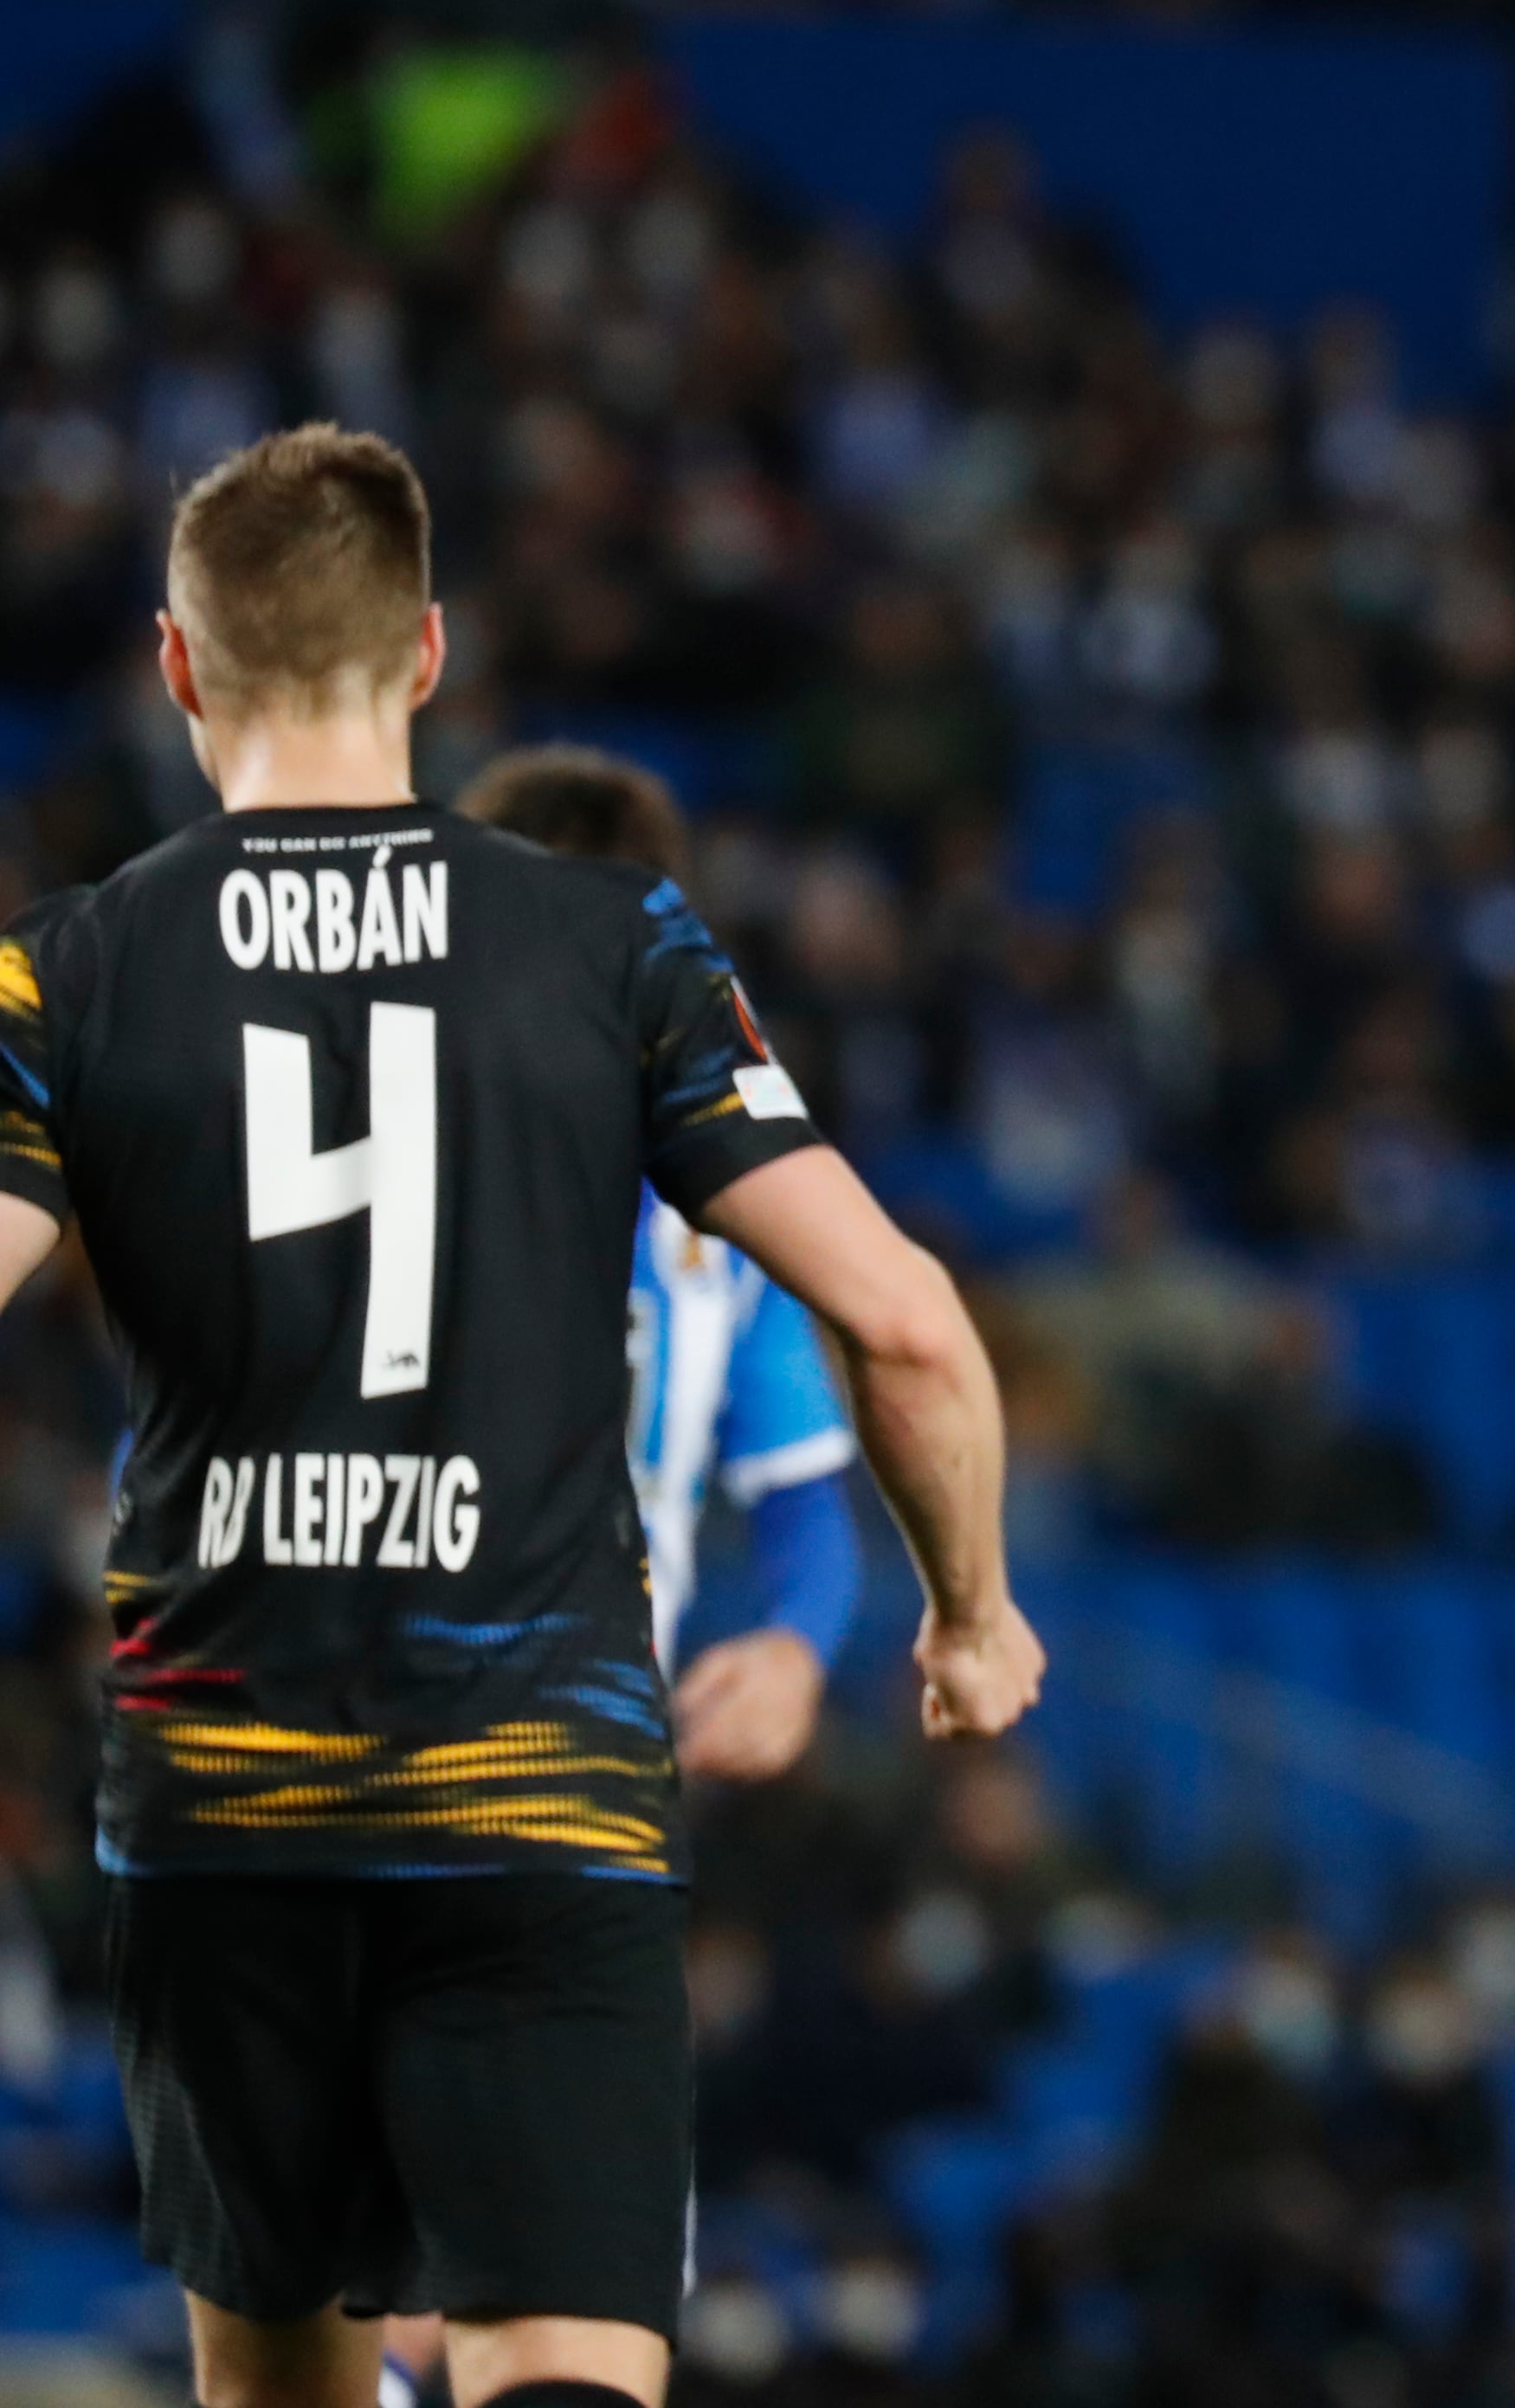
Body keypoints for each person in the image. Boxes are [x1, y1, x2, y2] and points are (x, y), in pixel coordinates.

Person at [0, 424, 1045, 2408]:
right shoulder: (616, 946)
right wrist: (969, 1612)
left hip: (227, 1815)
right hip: (536, 1802)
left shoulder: (62, 971)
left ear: (174, 664)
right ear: (426, 657)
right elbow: (904, 1320)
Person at [455, 745, 861, 1781]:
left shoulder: (726, 1225)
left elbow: (807, 1499)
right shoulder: (342, 1172)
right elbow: (179, 1443)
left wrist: (792, 1651)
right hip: (346, 1788)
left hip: (590, 1795)